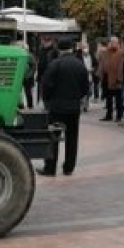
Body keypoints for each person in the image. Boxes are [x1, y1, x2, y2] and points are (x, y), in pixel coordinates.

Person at [39, 37, 90, 177]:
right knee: (72, 137)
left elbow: (46, 85)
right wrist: (78, 98)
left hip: (56, 108)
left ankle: (50, 167)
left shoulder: (55, 64)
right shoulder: (80, 65)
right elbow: (86, 87)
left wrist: (47, 100)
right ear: (72, 48)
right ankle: (69, 167)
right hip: (73, 108)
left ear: (59, 49)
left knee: (53, 137)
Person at [98, 37, 124, 122]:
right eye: (111, 42)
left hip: (116, 78)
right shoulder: (105, 52)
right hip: (107, 78)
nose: (112, 43)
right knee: (108, 98)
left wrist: (119, 78)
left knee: (118, 99)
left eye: (114, 42)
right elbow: (101, 61)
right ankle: (109, 115)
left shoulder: (121, 53)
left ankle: (119, 115)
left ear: (117, 43)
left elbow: (121, 67)